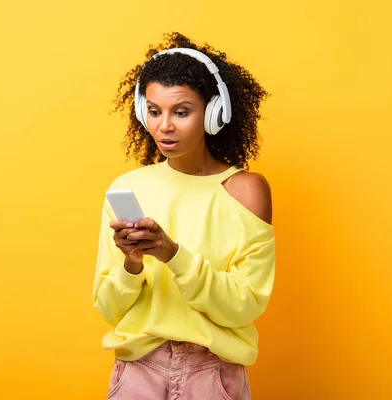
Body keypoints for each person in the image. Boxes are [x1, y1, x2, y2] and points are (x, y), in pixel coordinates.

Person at [92, 32, 275, 400]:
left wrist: (173, 255)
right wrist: (131, 266)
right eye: (155, 111)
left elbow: (244, 306)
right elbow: (107, 307)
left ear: (213, 114)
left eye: (181, 112)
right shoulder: (128, 188)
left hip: (212, 373)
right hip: (138, 371)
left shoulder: (247, 191)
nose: (165, 126)